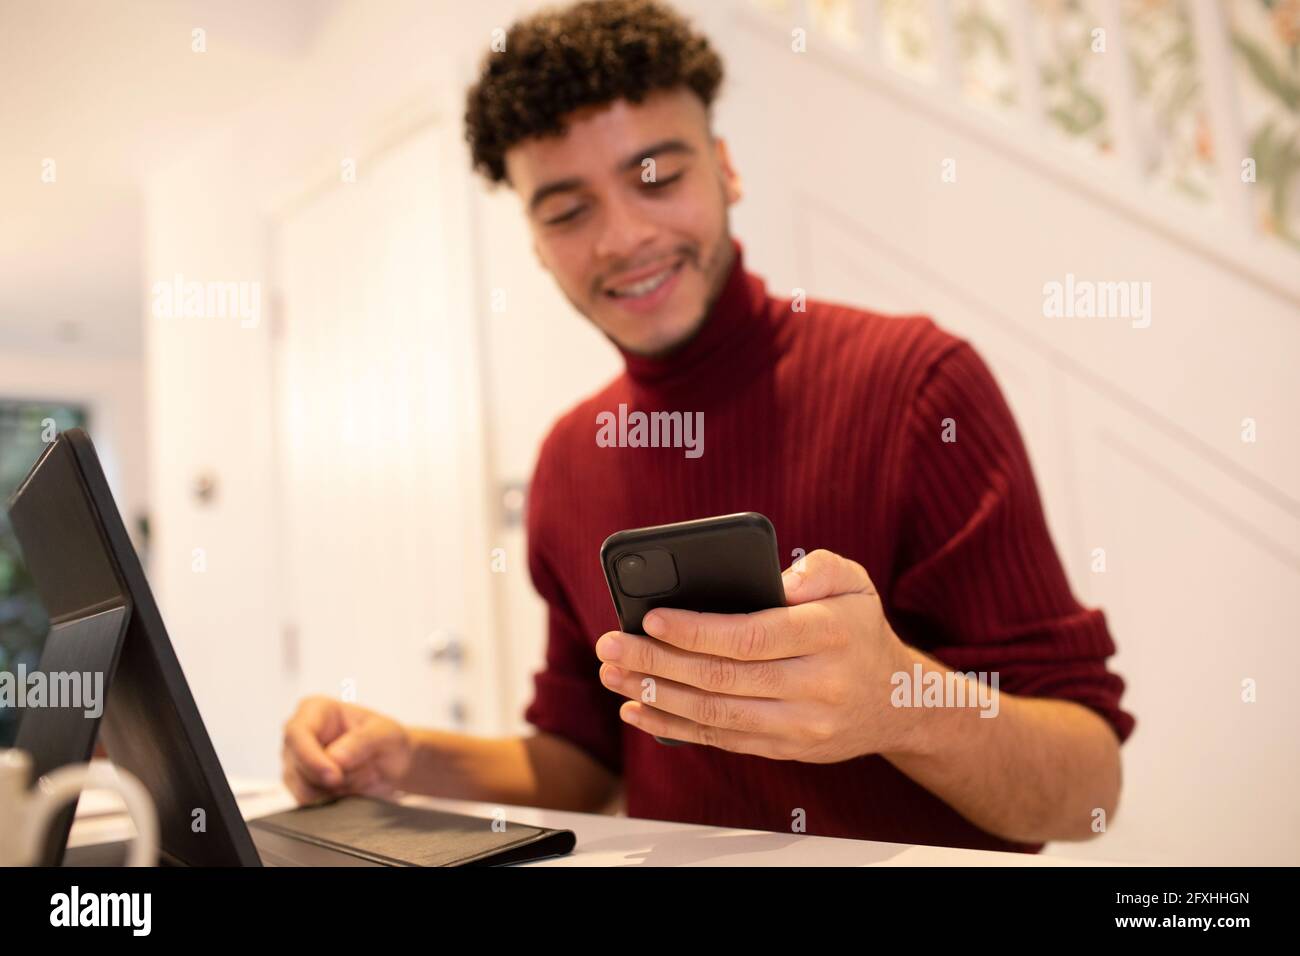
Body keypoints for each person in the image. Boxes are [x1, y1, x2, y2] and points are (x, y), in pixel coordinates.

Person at [281, 0, 1134, 853]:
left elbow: (1087, 792)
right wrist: (403, 760)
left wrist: (896, 701)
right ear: (536, 244)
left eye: (657, 175)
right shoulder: (569, 458)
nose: (624, 236)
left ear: (724, 169)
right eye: (567, 211)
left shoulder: (919, 385)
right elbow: (584, 756)